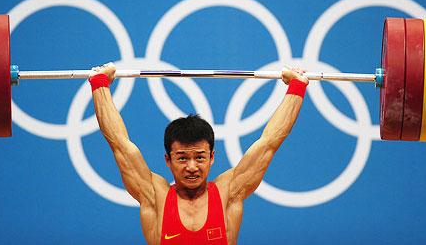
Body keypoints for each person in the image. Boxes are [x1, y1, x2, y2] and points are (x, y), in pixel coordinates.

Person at [89, 63, 309, 245]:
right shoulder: (155, 196)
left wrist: (297, 88)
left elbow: (269, 143)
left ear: (212, 157)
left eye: (200, 157)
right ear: (168, 159)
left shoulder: (228, 192)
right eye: (182, 158)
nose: (192, 167)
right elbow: (119, 144)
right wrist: (99, 85)